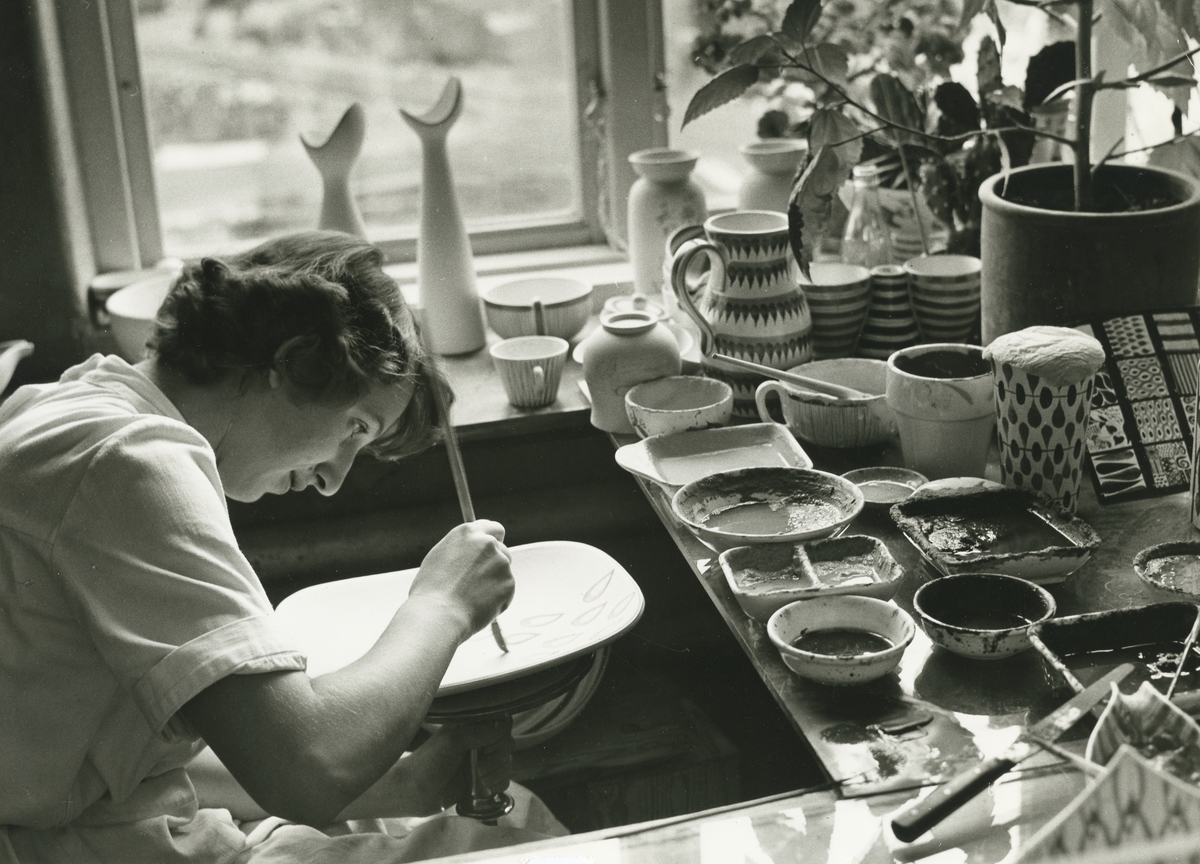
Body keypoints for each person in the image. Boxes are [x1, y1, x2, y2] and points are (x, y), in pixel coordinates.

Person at [0, 231, 567, 863]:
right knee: (528, 848)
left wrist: (404, 783)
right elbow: (308, 766)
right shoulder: (129, 463)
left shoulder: (71, 403)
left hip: (110, 823)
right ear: (292, 361)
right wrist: (443, 605)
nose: (333, 479)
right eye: (355, 426)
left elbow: (128, 766)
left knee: (511, 816)